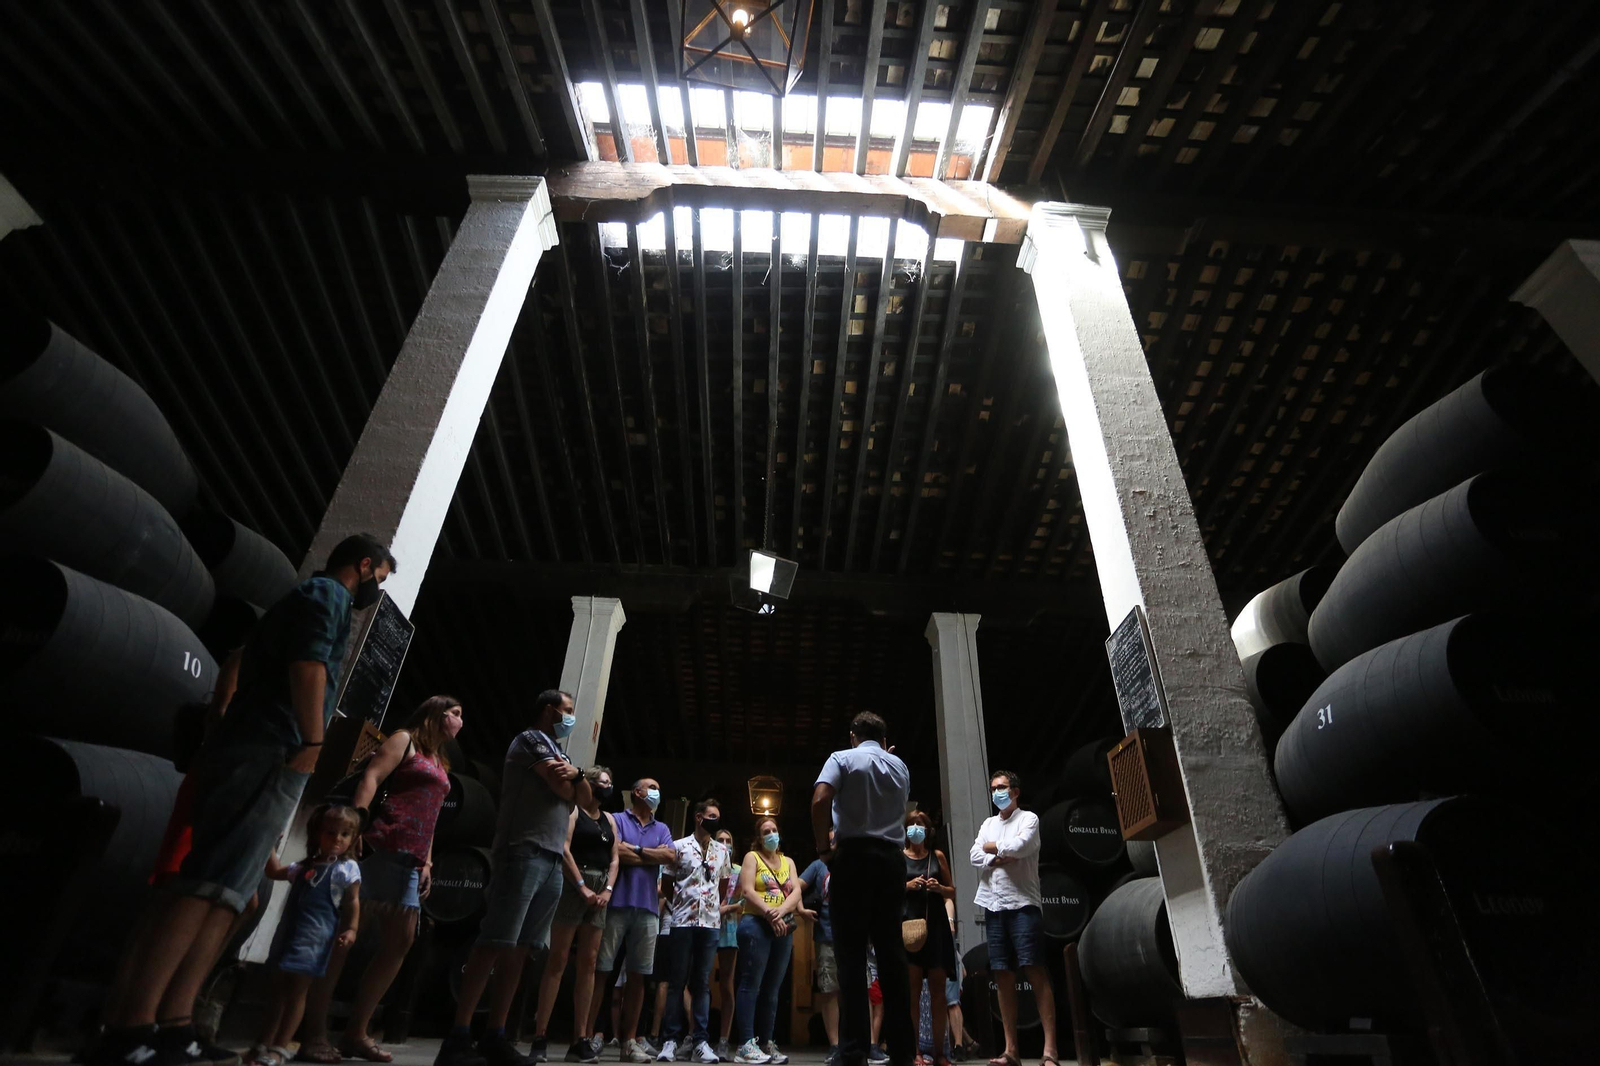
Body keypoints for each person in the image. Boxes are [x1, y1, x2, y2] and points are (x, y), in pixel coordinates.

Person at [94, 534, 394, 1066]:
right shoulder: (327, 595)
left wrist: (221, 716)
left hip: (267, 747)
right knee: (204, 885)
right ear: (365, 565)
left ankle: (175, 1023)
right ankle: (130, 1026)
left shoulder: (307, 600)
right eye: (382, 578)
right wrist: (313, 740)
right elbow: (309, 666)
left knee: (228, 893)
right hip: (271, 748)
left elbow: (238, 657)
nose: (379, 590)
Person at [298, 696, 465, 1062]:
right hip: (381, 845)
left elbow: (432, 814)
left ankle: (356, 1031)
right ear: (434, 713)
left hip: (412, 859)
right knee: (345, 936)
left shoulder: (440, 759)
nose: (459, 720)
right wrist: (355, 826)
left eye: (461, 715)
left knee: (401, 941)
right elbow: (372, 777)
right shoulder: (403, 739)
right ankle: (313, 1031)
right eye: (454, 713)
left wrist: (429, 861)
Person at [437, 690, 590, 1066]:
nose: (571, 717)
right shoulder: (531, 740)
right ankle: (457, 1037)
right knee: (495, 941)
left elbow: (583, 799)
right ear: (549, 709)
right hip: (523, 850)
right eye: (567, 710)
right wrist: (573, 782)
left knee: (522, 951)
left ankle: (495, 1035)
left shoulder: (564, 755)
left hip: (553, 859)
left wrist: (579, 775)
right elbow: (561, 789)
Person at [811, 712, 913, 1066]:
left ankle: (853, 1050)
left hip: (853, 857)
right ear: (884, 739)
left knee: (851, 957)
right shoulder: (900, 766)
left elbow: (820, 799)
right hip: (891, 860)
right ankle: (903, 1051)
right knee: (891, 955)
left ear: (853, 735)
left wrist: (825, 850)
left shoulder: (842, 757)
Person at [249, 806, 363, 1066]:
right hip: (287, 934)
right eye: (331, 832)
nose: (337, 838)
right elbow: (274, 871)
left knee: (297, 992)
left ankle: (280, 1047)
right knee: (277, 989)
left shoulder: (346, 869)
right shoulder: (303, 867)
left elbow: (353, 901)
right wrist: (270, 843)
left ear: (353, 839)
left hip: (315, 938)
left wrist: (352, 928)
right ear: (317, 834)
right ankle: (262, 1043)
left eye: (345, 834)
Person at [531, 766, 620, 1064]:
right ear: (590, 784)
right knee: (557, 960)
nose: (606, 786)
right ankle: (540, 1035)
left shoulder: (609, 820)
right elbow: (564, 848)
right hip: (574, 885)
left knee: (590, 963)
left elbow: (615, 858)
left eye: (610, 782)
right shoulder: (573, 812)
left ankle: (579, 1038)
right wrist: (581, 887)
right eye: (602, 782)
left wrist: (607, 890)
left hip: (600, 890)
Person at [969, 771, 1058, 1066]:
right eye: (994, 788)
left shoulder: (1028, 819)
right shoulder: (988, 824)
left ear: (1016, 791)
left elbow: (1020, 848)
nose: (997, 793)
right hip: (994, 906)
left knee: (1035, 971)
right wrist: (997, 855)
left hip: (1023, 905)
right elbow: (973, 855)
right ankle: (1011, 1051)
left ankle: (1050, 1051)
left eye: (1002, 787)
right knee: (1002, 975)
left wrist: (991, 848)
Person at [596, 778, 676, 1063]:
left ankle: (629, 1041)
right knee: (602, 971)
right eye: (651, 787)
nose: (656, 791)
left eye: (657, 786)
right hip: (615, 903)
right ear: (637, 792)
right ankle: (591, 1035)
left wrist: (639, 851)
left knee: (639, 976)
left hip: (648, 909)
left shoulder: (663, 828)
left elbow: (670, 855)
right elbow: (613, 850)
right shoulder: (616, 818)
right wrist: (648, 856)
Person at [657, 799, 734, 1064]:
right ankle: (670, 1040)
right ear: (699, 817)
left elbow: (722, 887)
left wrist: (712, 908)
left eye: (718, 816)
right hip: (682, 922)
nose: (715, 820)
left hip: (710, 924)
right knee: (676, 981)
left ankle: (701, 1041)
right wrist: (681, 904)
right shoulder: (678, 847)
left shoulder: (722, 851)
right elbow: (667, 884)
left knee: (701, 983)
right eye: (711, 815)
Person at [732, 816, 808, 1065]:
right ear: (759, 837)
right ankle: (745, 1044)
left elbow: (796, 890)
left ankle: (766, 1041)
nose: (772, 834)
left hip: (783, 927)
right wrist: (769, 913)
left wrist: (782, 913)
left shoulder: (789, 861)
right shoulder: (751, 858)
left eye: (774, 830)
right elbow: (747, 891)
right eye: (766, 831)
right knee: (750, 984)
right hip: (755, 926)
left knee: (773, 989)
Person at [902, 812, 955, 1066]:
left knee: (938, 993)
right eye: (911, 825)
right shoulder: (899, 858)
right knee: (911, 993)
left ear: (928, 829)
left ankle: (940, 1052)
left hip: (936, 929)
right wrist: (908, 886)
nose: (915, 829)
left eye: (920, 824)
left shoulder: (938, 856)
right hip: (909, 928)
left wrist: (939, 888)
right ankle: (915, 1053)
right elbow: (888, 892)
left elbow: (952, 891)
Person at [797, 834, 840, 1066]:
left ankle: (864, 1043)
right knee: (829, 990)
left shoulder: (855, 861)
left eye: (837, 838)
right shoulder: (818, 866)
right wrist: (801, 909)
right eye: (830, 839)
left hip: (855, 936)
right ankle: (835, 1045)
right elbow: (795, 886)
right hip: (826, 934)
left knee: (859, 990)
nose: (833, 843)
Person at [712, 829, 741, 1061]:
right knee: (697, 981)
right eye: (720, 840)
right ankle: (695, 1035)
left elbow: (740, 903)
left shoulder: (739, 871)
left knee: (727, 985)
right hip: (704, 925)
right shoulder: (709, 865)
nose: (724, 843)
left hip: (729, 929)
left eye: (728, 841)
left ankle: (723, 1039)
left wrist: (726, 909)